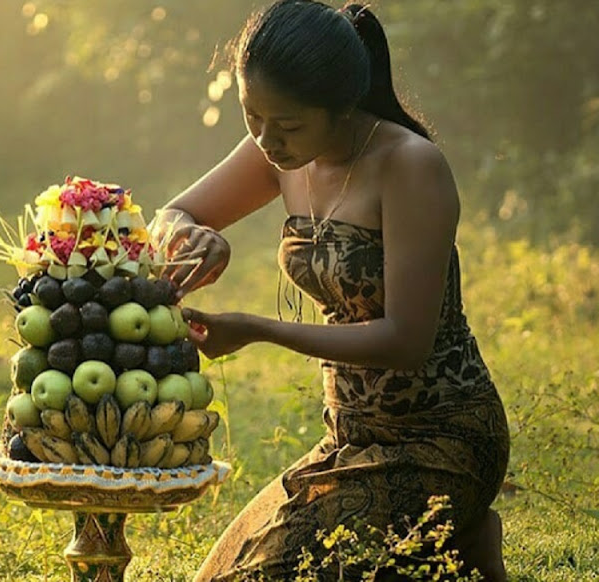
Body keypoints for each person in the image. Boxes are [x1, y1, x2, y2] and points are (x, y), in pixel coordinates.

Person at [150, 1, 510, 580]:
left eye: (287, 125)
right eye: (251, 116)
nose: (267, 139)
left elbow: (406, 341)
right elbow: (172, 212)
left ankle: (462, 529)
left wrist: (259, 329)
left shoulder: (410, 165)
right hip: (349, 438)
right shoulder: (281, 150)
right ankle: (461, 545)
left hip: (441, 437)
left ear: (342, 107)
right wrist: (193, 235)